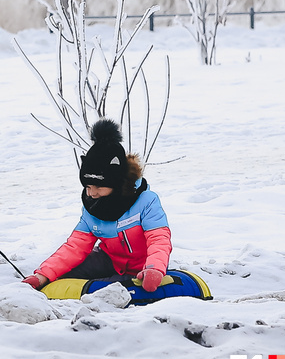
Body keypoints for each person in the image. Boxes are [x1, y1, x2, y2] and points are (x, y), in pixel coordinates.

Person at [22, 119, 172, 293]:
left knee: (114, 287)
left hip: (142, 265)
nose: (92, 193)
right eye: (88, 187)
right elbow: (76, 245)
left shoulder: (146, 201)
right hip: (109, 260)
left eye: (98, 187)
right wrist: (43, 275)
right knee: (63, 275)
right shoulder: (93, 206)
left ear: (117, 183)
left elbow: (159, 239)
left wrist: (154, 268)